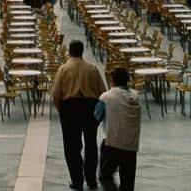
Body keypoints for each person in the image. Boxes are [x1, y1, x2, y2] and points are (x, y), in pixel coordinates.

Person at [50, 40, 107, 191]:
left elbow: (56, 94)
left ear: (69, 51)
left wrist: (61, 110)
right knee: (91, 144)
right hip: (89, 108)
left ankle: (77, 180)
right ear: (82, 51)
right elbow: (103, 92)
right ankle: (91, 179)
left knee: (71, 146)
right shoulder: (92, 69)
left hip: (70, 109)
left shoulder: (63, 69)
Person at [95, 67, 141, 191]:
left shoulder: (107, 97)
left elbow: (96, 116)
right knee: (128, 181)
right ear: (127, 80)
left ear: (112, 80)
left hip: (112, 144)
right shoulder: (136, 96)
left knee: (104, 176)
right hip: (131, 145)